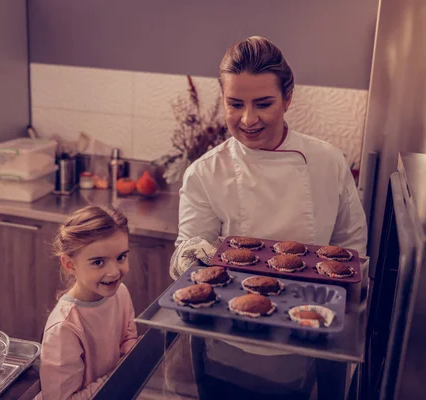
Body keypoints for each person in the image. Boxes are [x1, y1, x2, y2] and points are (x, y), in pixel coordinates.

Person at [171, 36, 368, 399]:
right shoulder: (204, 173)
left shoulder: (328, 163)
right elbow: (190, 253)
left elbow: (351, 249)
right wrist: (190, 255)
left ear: (288, 97)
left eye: (263, 104)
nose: (248, 119)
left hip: (308, 335)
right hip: (223, 338)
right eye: (235, 104)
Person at [36, 205, 138, 400]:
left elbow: (128, 337)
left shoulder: (120, 293)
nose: (114, 272)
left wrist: (134, 351)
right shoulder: (64, 328)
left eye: (121, 257)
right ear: (70, 265)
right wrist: (120, 376)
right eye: (98, 262)